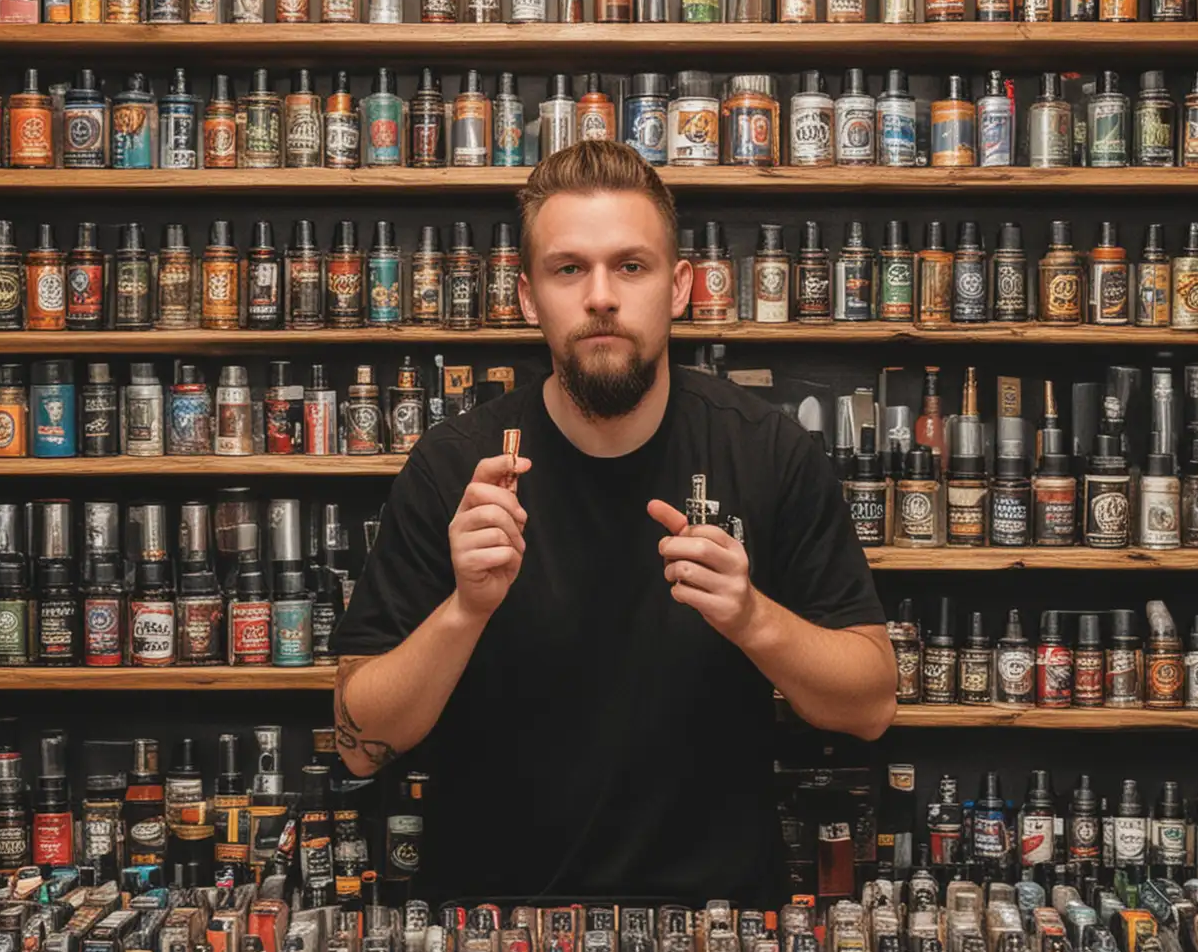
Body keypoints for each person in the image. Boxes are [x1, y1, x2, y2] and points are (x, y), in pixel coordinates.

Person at [331, 140, 895, 903]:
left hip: (715, 937)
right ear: (528, 296)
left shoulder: (767, 452)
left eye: (632, 266)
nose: (601, 296)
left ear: (680, 287)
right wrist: (464, 610)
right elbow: (360, 745)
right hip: (491, 941)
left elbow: (870, 706)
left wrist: (752, 618)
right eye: (569, 269)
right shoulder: (453, 466)